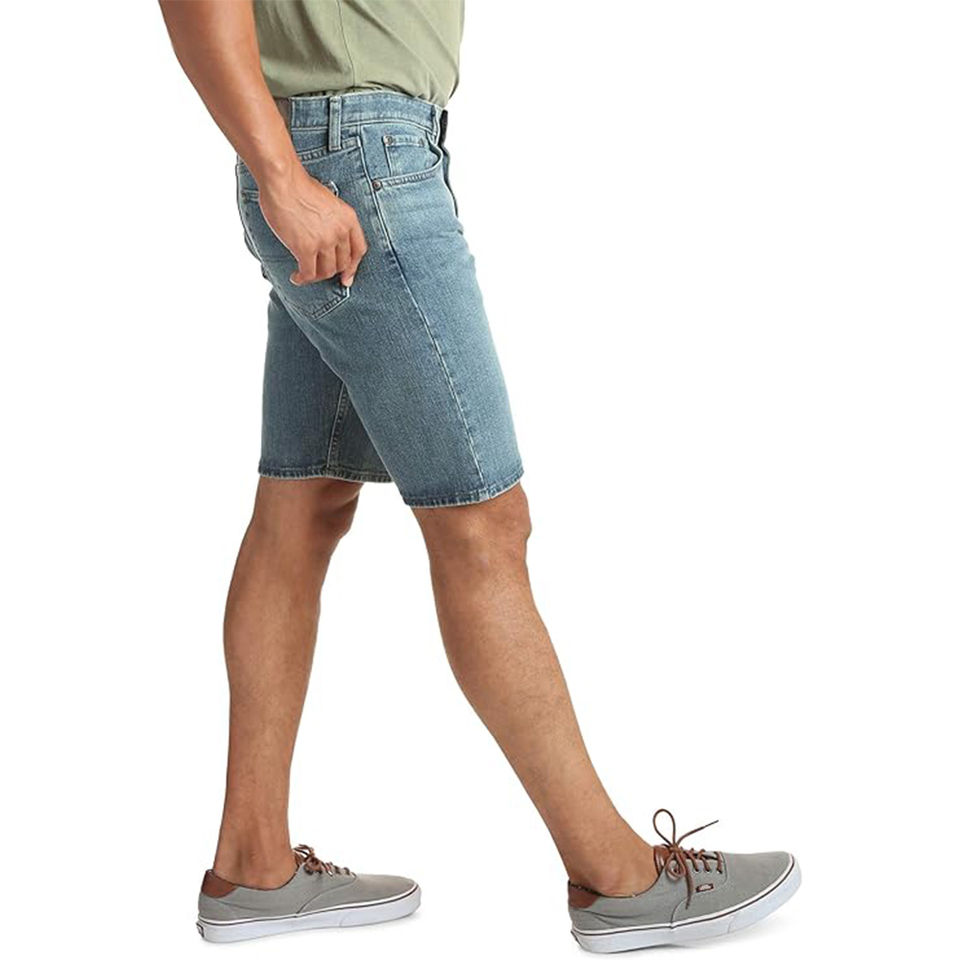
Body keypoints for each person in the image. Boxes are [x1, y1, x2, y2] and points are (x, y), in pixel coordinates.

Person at [159, 1, 799, 949]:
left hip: (354, 153)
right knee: (482, 523)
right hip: (351, 163)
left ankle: (253, 862)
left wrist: (290, 170)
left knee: (304, 504)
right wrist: (282, 177)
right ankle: (618, 877)